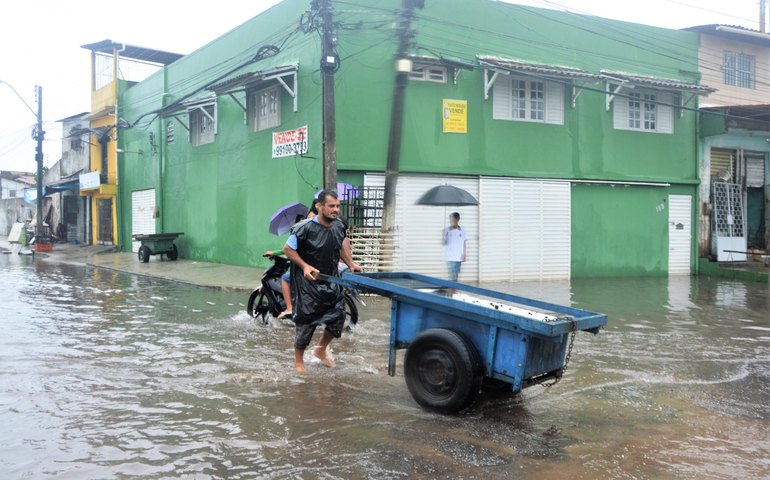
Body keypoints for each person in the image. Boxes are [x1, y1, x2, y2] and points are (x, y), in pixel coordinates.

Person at [283, 190, 362, 373]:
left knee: (338, 317)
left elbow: (339, 244)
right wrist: (304, 266)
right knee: (306, 321)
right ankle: (298, 362)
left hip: (331, 280)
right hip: (308, 283)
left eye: (337, 206)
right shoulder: (303, 228)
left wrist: (350, 263)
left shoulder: (339, 226)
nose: (336, 210)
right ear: (319, 206)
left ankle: (320, 350)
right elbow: (287, 249)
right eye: (331, 206)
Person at [442, 212, 467, 282]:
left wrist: (464, 255)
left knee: (456, 275)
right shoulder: (447, 230)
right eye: (451, 220)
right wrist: (444, 235)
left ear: (458, 219)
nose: (452, 221)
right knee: (452, 276)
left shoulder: (462, 230)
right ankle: (452, 291)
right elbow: (443, 243)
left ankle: (454, 291)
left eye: (453, 220)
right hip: (450, 257)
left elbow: (464, 243)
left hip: (459, 257)